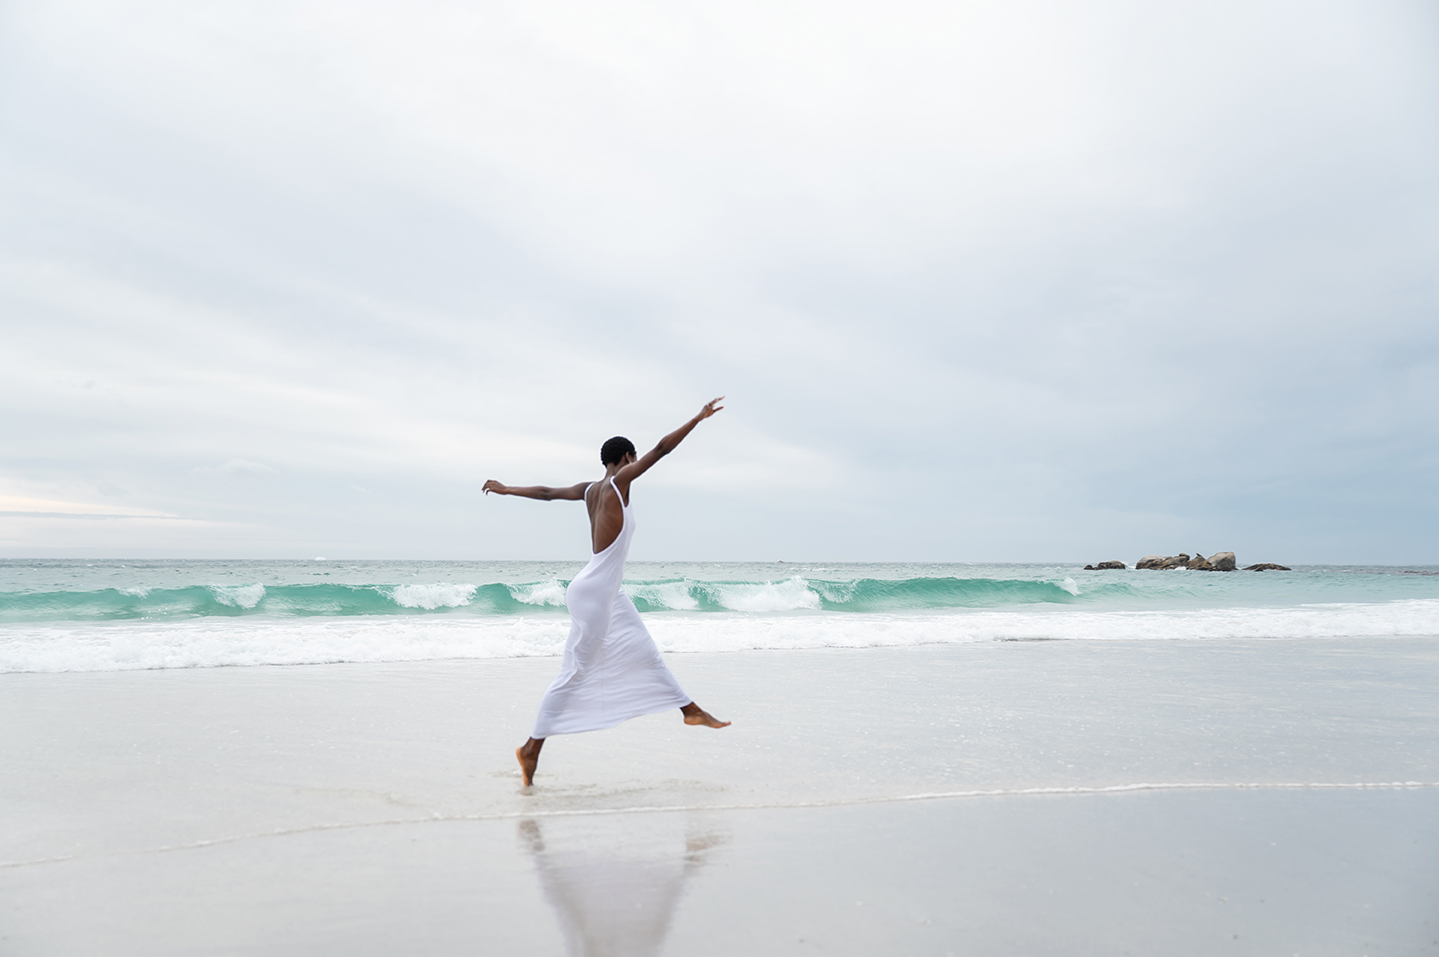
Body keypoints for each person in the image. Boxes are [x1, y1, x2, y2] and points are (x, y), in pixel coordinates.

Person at [482, 398, 731, 786]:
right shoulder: (620, 483)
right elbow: (662, 450)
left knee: (643, 647)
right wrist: (697, 420)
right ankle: (531, 748)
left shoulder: (590, 489)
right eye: (632, 460)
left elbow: (547, 492)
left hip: (605, 592)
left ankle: (689, 709)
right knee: (575, 671)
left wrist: (506, 489)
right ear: (626, 457)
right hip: (596, 592)